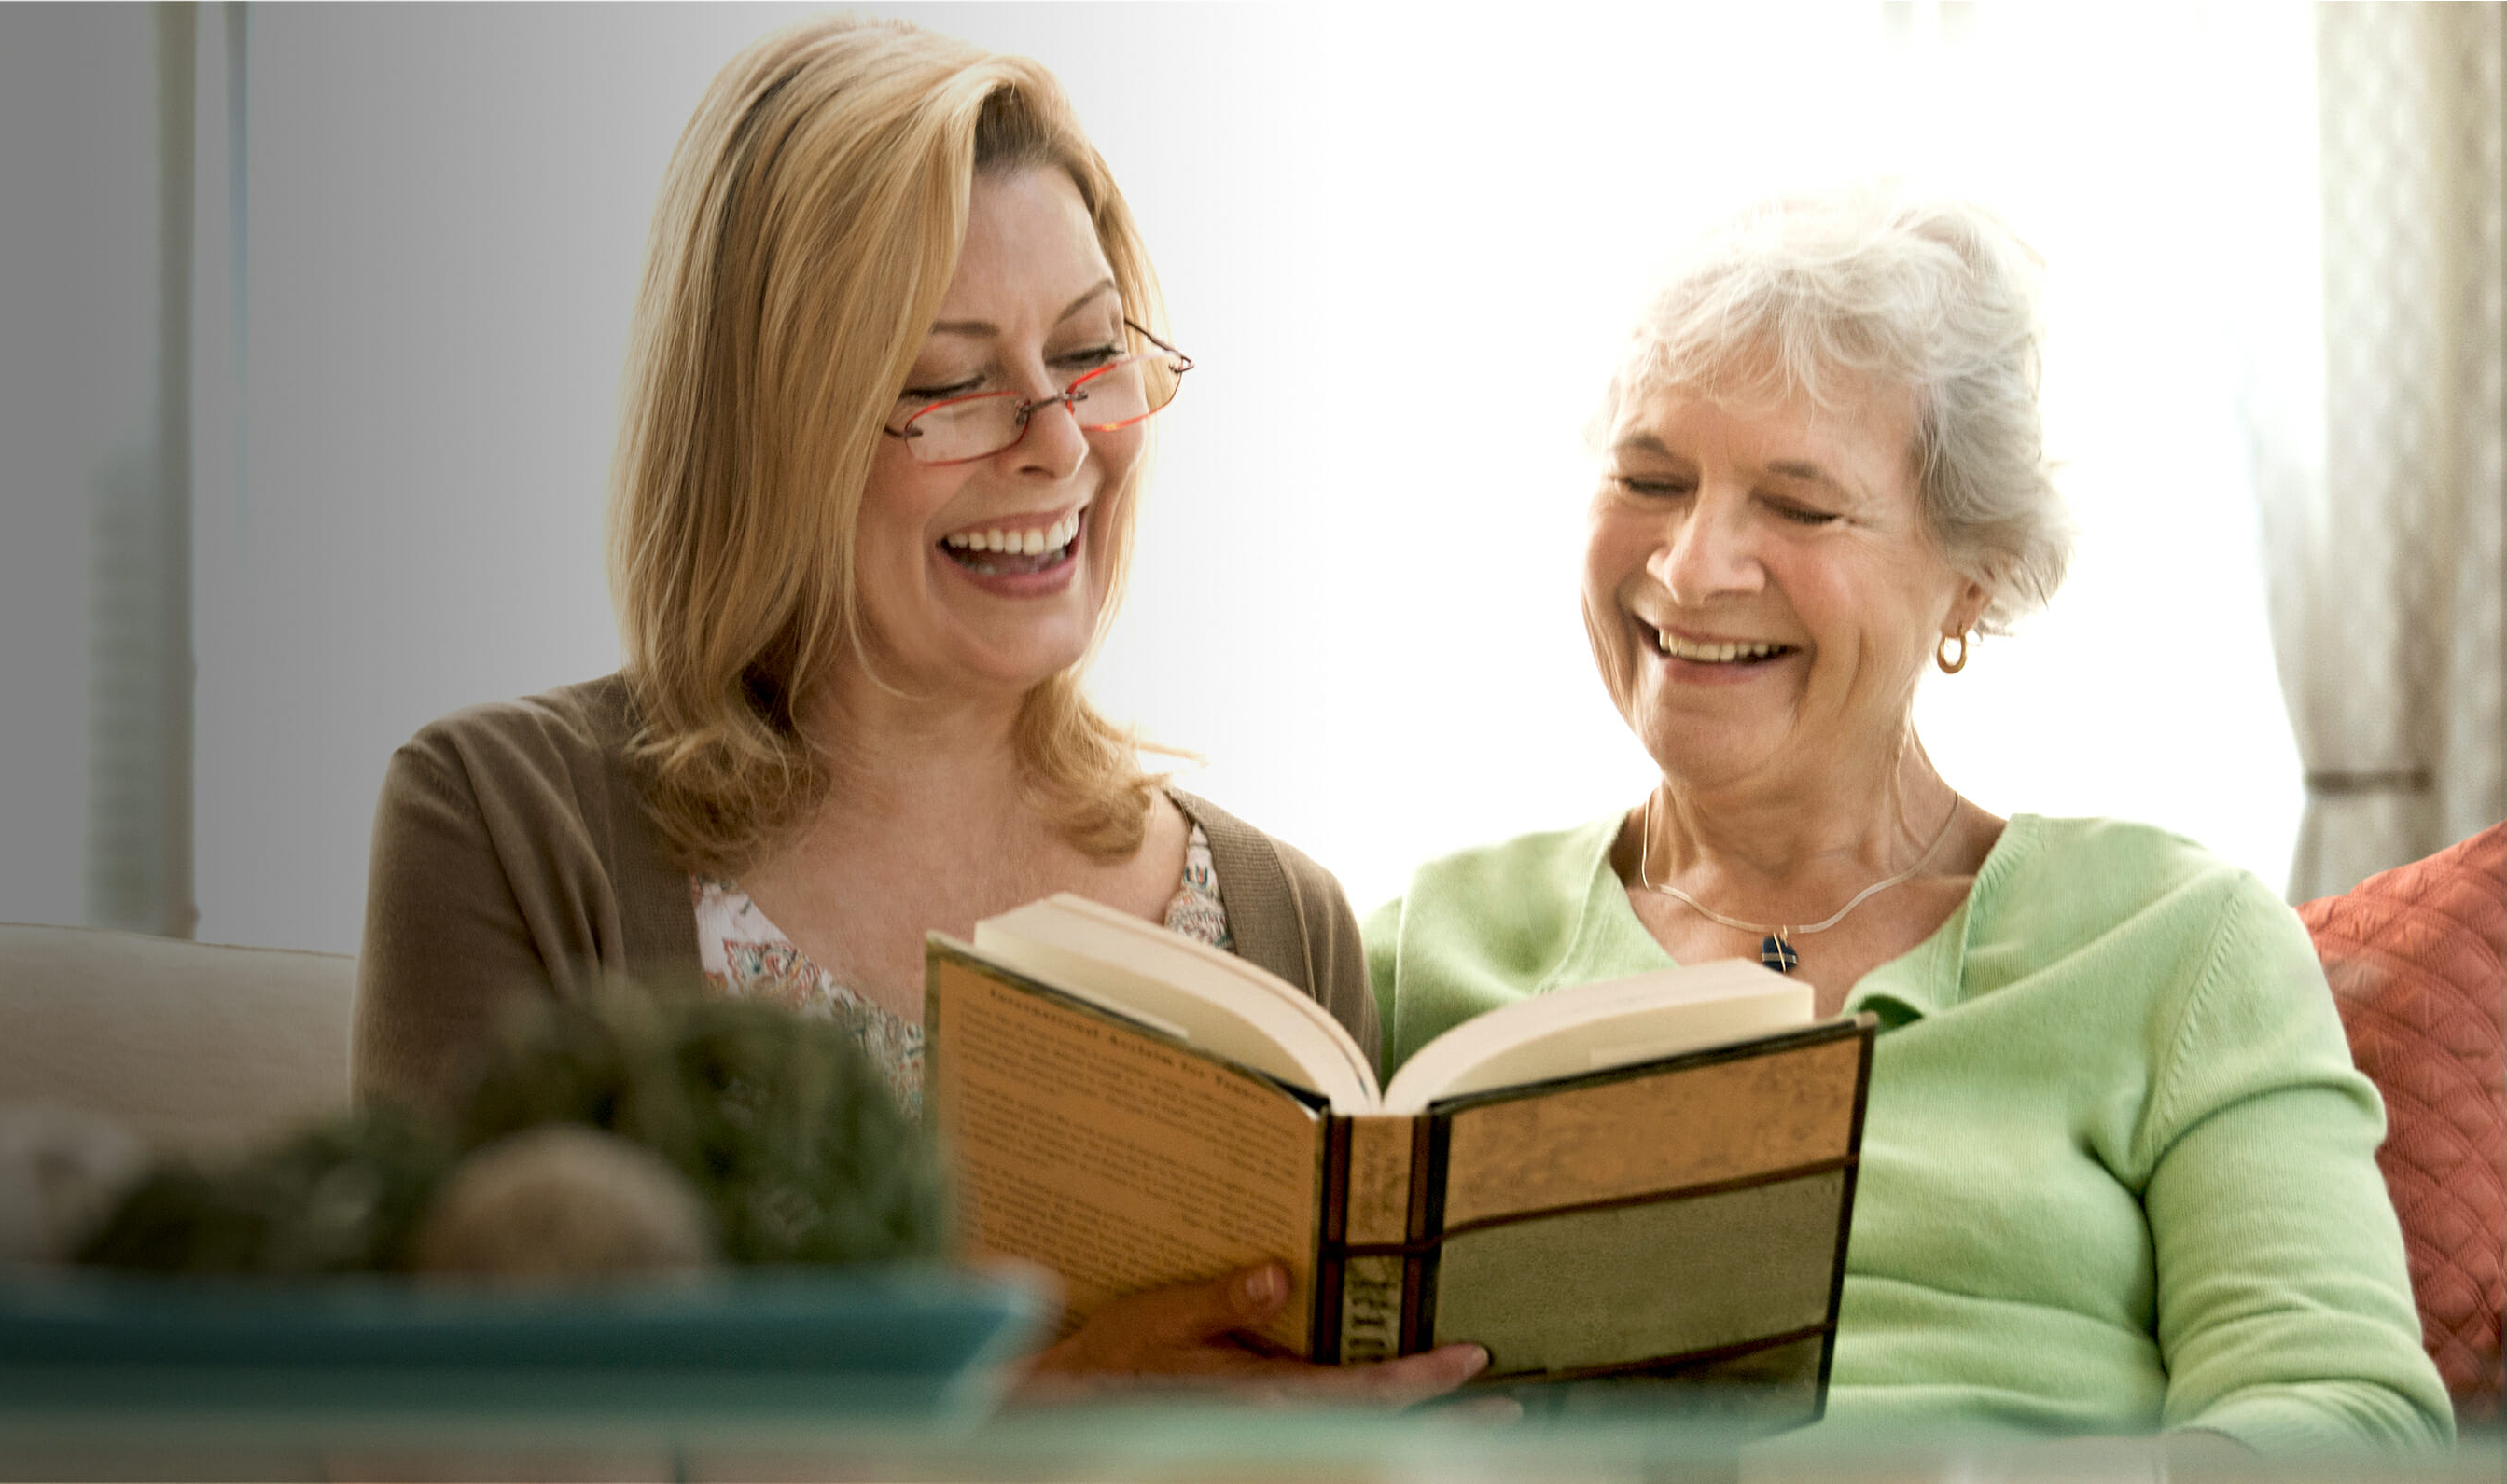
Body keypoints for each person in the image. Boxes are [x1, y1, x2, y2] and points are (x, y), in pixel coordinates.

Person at [354, 17, 1480, 1400]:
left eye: (1087, 353)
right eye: (949, 386)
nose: (1059, 445)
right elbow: (444, 1434)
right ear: (771, 425)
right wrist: (1034, 1415)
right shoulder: (507, 823)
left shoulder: (1281, 918)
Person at [1365, 187, 2454, 1452]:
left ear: (1967, 579)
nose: (1690, 566)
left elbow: (2354, 1420)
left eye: (1798, 505)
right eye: (1649, 480)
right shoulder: (1424, 950)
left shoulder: (2172, 940)